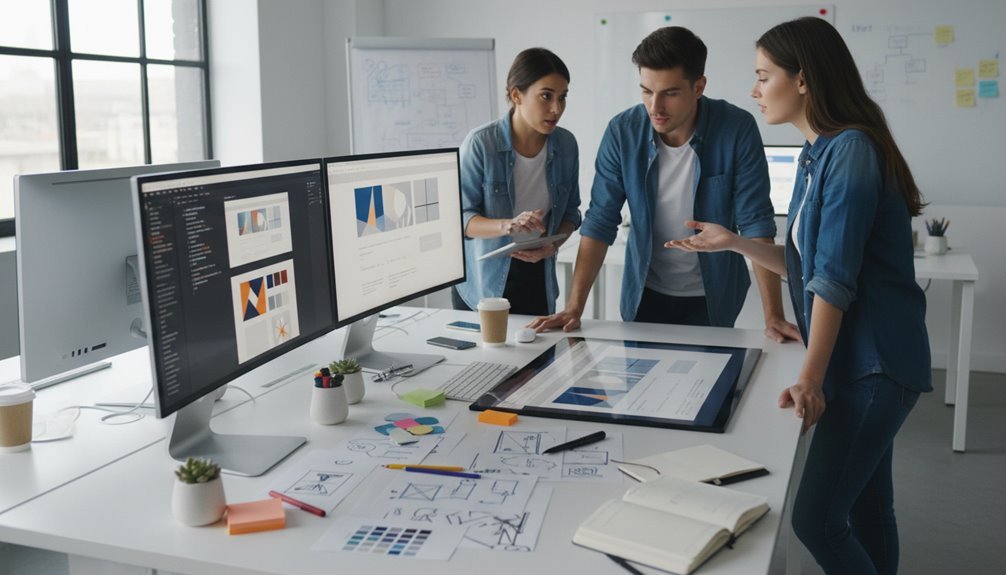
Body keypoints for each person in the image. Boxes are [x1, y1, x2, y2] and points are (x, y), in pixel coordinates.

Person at [665, 17, 931, 575]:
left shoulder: (851, 151)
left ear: (803, 80)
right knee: (866, 508)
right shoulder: (818, 154)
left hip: (874, 368)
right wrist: (735, 242)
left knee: (815, 520)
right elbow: (807, 264)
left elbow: (832, 280)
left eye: (764, 76)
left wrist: (809, 378)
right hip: (862, 364)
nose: (754, 90)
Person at [528, 27, 799, 341]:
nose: (655, 107)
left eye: (669, 93)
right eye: (646, 91)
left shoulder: (736, 128)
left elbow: (756, 223)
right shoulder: (622, 131)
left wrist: (774, 317)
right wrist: (574, 307)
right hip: (645, 294)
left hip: (714, 297)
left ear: (699, 87)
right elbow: (601, 220)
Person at [452, 47, 581, 316]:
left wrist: (553, 245)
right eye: (546, 96)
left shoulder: (566, 145)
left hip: (539, 278)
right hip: (484, 285)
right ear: (516, 95)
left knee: (540, 357)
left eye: (562, 97)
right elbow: (460, 219)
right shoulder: (481, 144)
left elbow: (571, 213)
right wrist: (508, 225)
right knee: (486, 359)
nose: (556, 108)